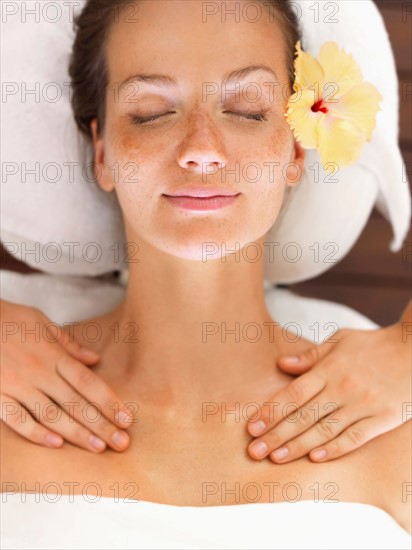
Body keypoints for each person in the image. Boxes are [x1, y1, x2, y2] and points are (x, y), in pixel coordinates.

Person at [1, 1, 411, 548]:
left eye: (246, 109)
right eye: (150, 112)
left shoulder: (391, 433)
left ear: (295, 149)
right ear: (101, 151)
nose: (201, 150)